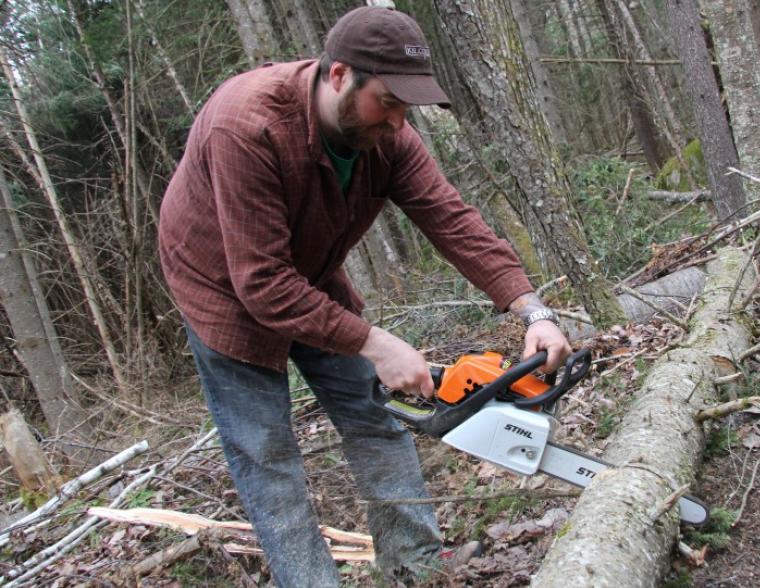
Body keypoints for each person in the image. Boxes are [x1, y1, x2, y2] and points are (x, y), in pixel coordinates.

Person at [158, 5, 570, 586]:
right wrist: (375, 342)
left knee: (375, 417)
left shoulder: (389, 136)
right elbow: (261, 283)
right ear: (338, 76)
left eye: (408, 107)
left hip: (310, 275)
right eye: (389, 103)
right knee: (269, 458)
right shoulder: (246, 125)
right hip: (222, 290)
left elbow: (452, 220)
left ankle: (417, 566)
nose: (399, 122)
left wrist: (532, 308)